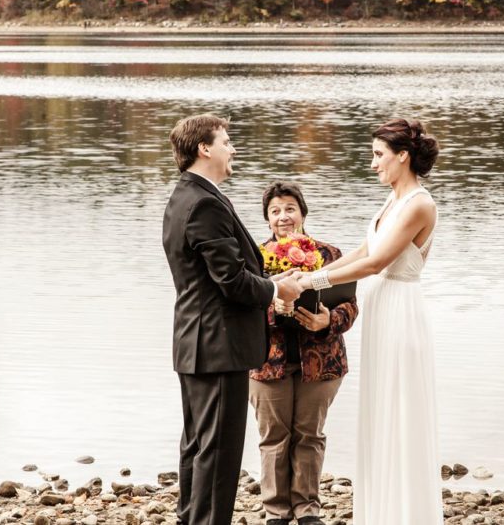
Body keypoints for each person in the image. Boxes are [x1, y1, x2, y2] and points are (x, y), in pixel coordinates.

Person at [297, 118, 442, 524]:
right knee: (381, 407)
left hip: (401, 311)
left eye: (379, 155)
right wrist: (304, 276)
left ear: (403, 156)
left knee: (401, 409)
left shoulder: (419, 204)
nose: (373, 163)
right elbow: (361, 252)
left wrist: (314, 279)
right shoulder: (392, 202)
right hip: (383, 313)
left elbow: (378, 262)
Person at [162, 114, 304, 525]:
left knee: (198, 448)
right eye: (226, 141)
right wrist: (279, 290)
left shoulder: (182, 196)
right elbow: (231, 282)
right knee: (218, 454)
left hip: (196, 343)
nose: (233, 148)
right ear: (204, 148)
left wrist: (271, 280)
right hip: (218, 346)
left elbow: (216, 277)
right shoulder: (204, 202)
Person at [249, 181, 359, 525]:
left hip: (322, 362)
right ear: (268, 220)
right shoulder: (253, 257)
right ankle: (276, 512)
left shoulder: (330, 255)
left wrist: (329, 320)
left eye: (290, 209)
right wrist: (275, 307)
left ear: (303, 213)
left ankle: (308, 509)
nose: (284, 217)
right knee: (273, 438)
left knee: (310, 435)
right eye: (275, 211)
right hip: (268, 362)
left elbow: (351, 305)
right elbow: (239, 310)